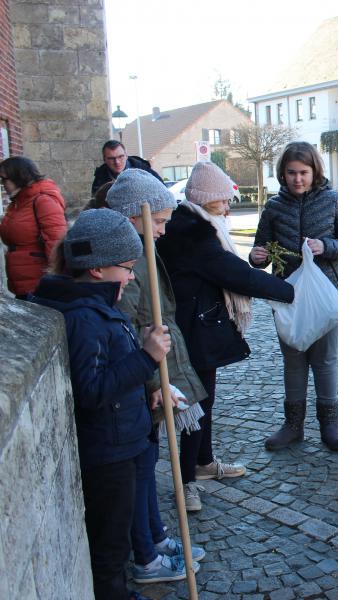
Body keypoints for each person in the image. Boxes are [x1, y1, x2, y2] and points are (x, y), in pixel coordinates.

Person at [30, 208, 171, 600]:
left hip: (121, 440)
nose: (130, 276)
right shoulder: (83, 317)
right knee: (111, 549)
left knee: (115, 543)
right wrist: (146, 357)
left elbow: (112, 366)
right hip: (108, 453)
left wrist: (148, 386)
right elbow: (91, 390)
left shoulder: (95, 304)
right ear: (96, 269)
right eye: (126, 267)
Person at [157, 161, 294, 512]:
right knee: (193, 406)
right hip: (190, 330)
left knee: (205, 400)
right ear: (206, 200)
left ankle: (203, 463)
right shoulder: (193, 233)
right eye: (222, 200)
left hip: (201, 324)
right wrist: (289, 291)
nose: (228, 206)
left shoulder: (195, 223)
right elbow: (236, 275)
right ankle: (186, 480)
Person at [106, 169, 207, 580]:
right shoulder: (125, 264)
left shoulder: (144, 249)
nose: (164, 230)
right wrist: (154, 381)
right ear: (135, 217)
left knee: (147, 466)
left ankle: (156, 536)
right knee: (141, 471)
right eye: (160, 221)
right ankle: (146, 550)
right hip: (139, 383)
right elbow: (133, 329)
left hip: (150, 376)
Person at [250, 142, 338, 452]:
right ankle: (293, 425)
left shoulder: (333, 201)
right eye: (291, 173)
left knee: (325, 361)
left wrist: (325, 246)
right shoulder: (273, 208)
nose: (298, 179)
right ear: (282, 174)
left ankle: (330, 426)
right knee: (293, 361)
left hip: (326, 294)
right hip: (287, 294)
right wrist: (257, 257)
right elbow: (261, 252)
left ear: (315, 172)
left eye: (304, 173)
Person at [0, 156, 67, 297]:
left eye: (4, 179)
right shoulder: (18, 202)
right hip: (22, 281)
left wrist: (56, 279)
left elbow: (56, 242)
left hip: (39, 283)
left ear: (18, 175)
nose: (2, 183)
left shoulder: (43, 200)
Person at [91, 140, 163, 195]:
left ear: (126, 156)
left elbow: (162, 189)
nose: (117, 162)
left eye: (120, 157)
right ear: (104, 159)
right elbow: (97, 204)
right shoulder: (100, 178)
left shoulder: (142, 169)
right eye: (111, 158)